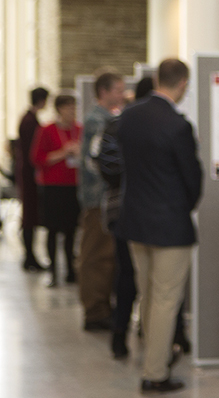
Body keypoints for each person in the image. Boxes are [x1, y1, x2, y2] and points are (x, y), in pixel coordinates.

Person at [115, 59, 202, 393]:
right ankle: (155, 372)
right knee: (166, 299)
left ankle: (154, 359)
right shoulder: (178, 125)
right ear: (181, 84)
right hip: (170, 225)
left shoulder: (130, 117)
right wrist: (184, 207)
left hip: (134, 221)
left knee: (148, 293)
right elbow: (192, 179)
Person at [98, 77, 154, 360]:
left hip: (130, 210)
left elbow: (106, 167)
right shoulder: (122, 125)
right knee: (135, 276)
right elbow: (107, 166)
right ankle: (126, 333)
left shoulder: (119, 125)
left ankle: (128, 333)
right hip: (133, 211)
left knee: (134, 276)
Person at [77, 71, 126, 331]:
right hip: (99, 200)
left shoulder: (103, 119)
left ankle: (100, 307)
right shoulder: (99, 121)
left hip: (102, 199)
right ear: (104, 92)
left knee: (104, 255)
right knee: (97, 255)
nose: (123, 94)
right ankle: (95, 310)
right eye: (118, 89)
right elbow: (99, 163)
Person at [31, 94, 82, 287]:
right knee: (53, 230)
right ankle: (53, 271)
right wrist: (63, 153)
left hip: (73, 185)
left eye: (74, 107)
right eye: (68, 108)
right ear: (59, 109)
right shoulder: (47, 130)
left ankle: (70, 269)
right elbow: (37, 158)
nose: (72, 112)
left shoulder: (79, 129)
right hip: (52, 186)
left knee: (71, 230)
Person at [17, 87, 49, 271]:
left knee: (31, 214)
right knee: (29, 215)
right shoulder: (29, 121)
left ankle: (30, 256)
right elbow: (33, 151)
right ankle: (29, 256)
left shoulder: (30, 119)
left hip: (29, 173)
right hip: (29, 174)